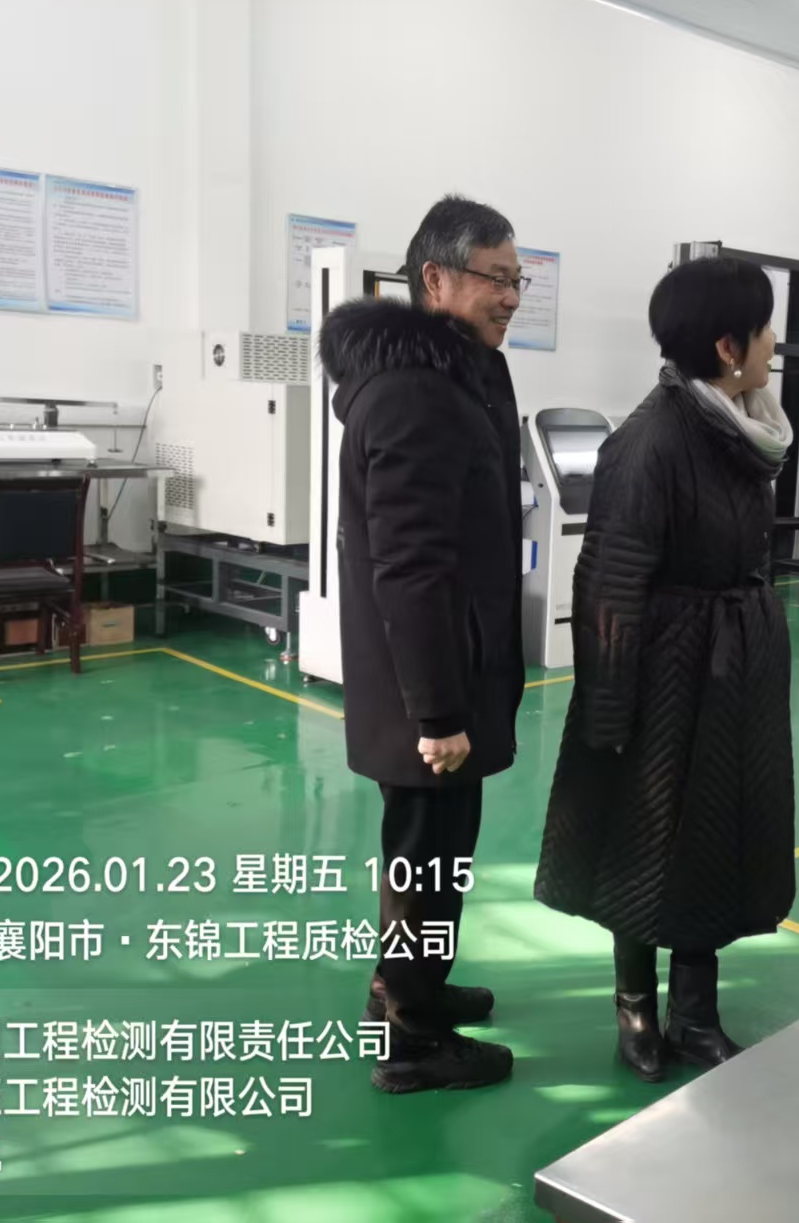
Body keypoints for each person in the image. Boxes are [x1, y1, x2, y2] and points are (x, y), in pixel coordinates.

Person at [535, 256, 797, 1083]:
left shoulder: (745, 427)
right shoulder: (650, 441)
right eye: (764, 327)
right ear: (727, 344)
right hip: (664, 675)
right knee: (644, 841)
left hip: (735, 668)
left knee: (716, 839)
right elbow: (609, 580)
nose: (776, 341)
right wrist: (610, 709)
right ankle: (635, 1009)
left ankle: (697, 1012)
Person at [320, 195, 526, 1094]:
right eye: (495, 278)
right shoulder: (416, 392)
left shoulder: (452, 377)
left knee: (434, 852)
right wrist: (438, 712)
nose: (510, 296)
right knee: (427, 858)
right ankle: (410, 1038)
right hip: (429, 686)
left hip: (444, 665)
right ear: (435, 279)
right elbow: (410, 565)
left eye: (518, 281)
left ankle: (408, 988)